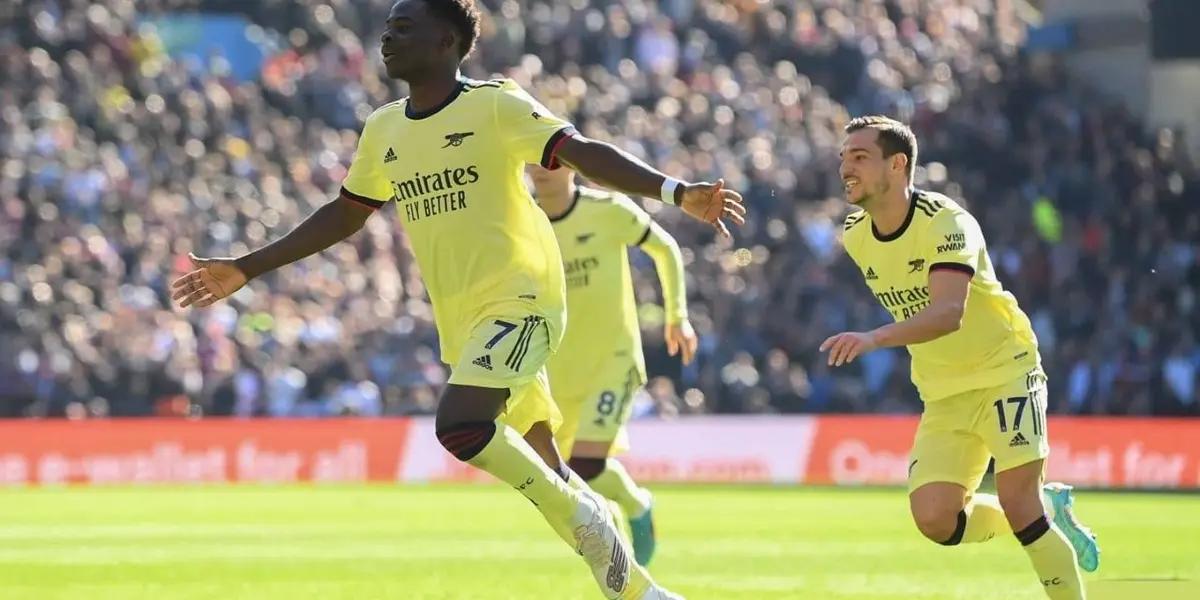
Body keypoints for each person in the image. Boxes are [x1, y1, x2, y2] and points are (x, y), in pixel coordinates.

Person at [170, 1, 745, 598]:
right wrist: (245, 267)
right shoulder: (384, 128)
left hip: (525, 300)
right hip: (465, 322)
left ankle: (589, 518)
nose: (387, 37)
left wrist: (675, 192)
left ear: (446, 42)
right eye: (387, 26)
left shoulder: (494, 104)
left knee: (461, 425)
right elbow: (346, 214)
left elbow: (580, 151)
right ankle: (643, 592)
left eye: (404, 27)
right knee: (550, 469)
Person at [821, 116, 1099, 599]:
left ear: (898, 164)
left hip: (1005, 372)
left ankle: (1042, 524)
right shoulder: (853, 233)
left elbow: (949, 313)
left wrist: (875, 338)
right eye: (844, 157)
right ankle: (1049, 512)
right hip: (943, 389)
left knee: (1020, 504)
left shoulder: (947, 222)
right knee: (934, 519)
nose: (846, 166)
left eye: (860, 157)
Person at [528, 164, 697, 566]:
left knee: (585, 465)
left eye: (554, 161)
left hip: (614, 360)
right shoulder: (525, 222)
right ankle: (631, 507)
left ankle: (633, 512)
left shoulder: (608, 210)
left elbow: (665, 247)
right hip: (555, 369)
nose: (545, 170)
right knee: (568, 473)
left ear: (571, 167)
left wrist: (677, 315)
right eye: (536, 161)